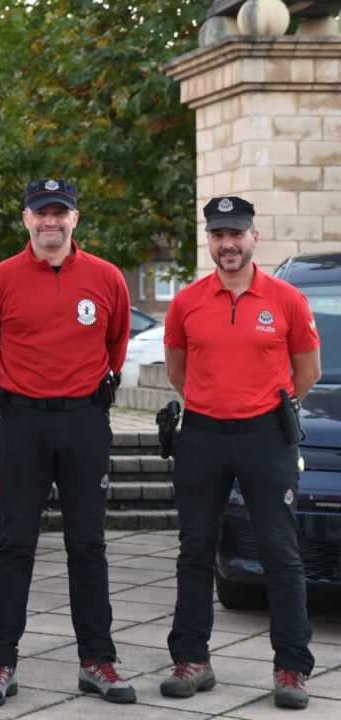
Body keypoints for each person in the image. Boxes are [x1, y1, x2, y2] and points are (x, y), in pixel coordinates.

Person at [0, 179, 134, 707]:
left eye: (60, 213)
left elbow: (116, 347)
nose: (51, 222)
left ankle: (98, 662)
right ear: (26, 219)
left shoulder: (107, 279)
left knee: (88, 544)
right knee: (14, 544)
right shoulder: (0, 280)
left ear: (75, 219)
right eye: (42, 213)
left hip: (85, 420)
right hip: (22, 423)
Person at [160, 196, 320, 710]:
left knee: (280, 551)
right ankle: (192, 662)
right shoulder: (186, 302)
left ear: (254, 238)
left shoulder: (288, 299)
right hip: (202, 435)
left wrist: (257, 407)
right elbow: (178, 370)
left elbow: (308, 373)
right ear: (209, 240)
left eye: (236, 234)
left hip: (266, 436)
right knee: (194, 548)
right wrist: (214, 403)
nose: (227, 244)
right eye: (218, 235)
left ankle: (291, 668)